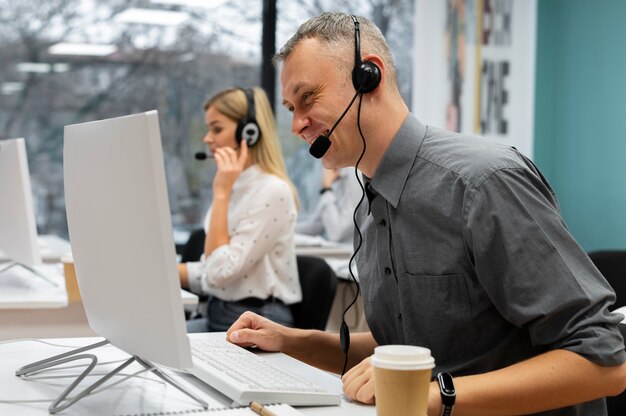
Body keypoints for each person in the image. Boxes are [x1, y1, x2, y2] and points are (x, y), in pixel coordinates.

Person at [225, 12, 626, 416]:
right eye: (291, 108)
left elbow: (603, 359)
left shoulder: (482, 183)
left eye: (307, 98)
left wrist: (433, 395)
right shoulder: (370, 206)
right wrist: (293, 342)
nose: (296, 125)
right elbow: (415, 345)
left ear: (370, 76)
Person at [178, 87, 301, 332]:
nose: (207, 138)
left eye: (217, 128)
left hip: (258, 319)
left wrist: (221, 193)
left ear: (249, 132)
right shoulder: (233, 184)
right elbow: (212, 269)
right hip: (221, 310)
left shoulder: (272, 191)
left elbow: (220, 273)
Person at [295, 166, 361, 244]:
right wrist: (283, 228)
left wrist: (326, 189)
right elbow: (316, 225)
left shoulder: (355, 174)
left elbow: (336, 233)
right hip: (338, 250)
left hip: (349, 251)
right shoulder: (333, 173)